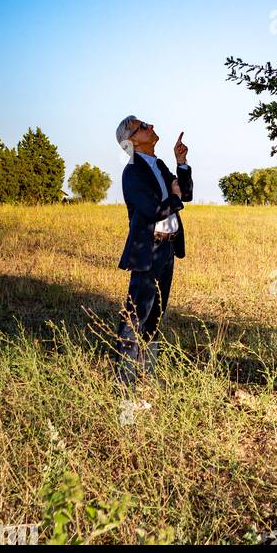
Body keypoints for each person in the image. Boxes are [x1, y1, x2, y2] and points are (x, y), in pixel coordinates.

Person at [113, 116, 193, 390]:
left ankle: (146, 375)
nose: (150, 126)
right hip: (147, 249)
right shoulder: (133, 172)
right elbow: (155, 210)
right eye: (142, 126)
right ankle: (125, 384)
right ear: (132, 140)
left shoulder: (158, 164)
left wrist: (181, 164)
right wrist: (172, 197)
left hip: (168, 247)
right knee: (137, 314)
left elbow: (186, 194)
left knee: (156, 313)